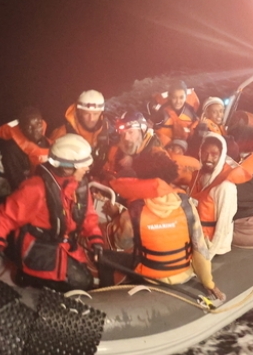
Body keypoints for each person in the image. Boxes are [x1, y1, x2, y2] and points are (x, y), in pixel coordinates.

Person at [0, 134, 105, 292]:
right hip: (40, 251)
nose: (87, 168)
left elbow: (88, 216)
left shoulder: (79, 186)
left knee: (85, 280)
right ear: (67, 167)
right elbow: (5, 215)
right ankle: (28, 278)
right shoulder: (36, 189)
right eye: (83, 164)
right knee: (80, 284)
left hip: (66, 247)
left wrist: (95, 240)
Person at [97, 176, 225, 302]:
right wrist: (208, 282)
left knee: (106, 257)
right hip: (183, 275)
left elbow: (122, 244)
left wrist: (116, 216)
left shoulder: (133, 212)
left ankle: (106, 299)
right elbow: (200, 248)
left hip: (151, 277)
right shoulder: (187, 205)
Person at [188, 133, 239, 258]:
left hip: (212, 247)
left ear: (221, 156)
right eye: (205, 153)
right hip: (196, 239)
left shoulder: (226, 187)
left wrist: (208, 256)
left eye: (214, 154)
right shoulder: (198, 177)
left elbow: (223, 225)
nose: (208, 158)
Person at [49, 90, 113, 176]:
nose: (91, 119)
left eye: (95, 114)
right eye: (86, 113)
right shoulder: (62, 133)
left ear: (101, 113)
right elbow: (52, 166)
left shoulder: (105, 128)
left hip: (96, 176)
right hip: (72, 180)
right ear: (79, 112)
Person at [0, 106, 50, 190]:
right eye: (29, 127)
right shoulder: (11, 150)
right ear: (22, 129)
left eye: (38, 124)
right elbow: (16, 182)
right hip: (7, 179)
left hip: (29, 174)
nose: (35, 130)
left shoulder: (44, 141)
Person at [102, 112, 164, 182]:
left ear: (142, 131)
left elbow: (160, 182)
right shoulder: (115, 150)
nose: (126, 138)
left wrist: (134, 164)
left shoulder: (156, 151)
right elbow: (106, 171)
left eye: (130, 132)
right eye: (123, 134)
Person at [151, 82, 200, 147]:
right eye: (174, 97)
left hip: (185, 145)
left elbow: (194, 131)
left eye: (181, 97)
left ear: (186, 97)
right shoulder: (161, 112)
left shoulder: (191, 112)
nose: (178, 101)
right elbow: (152, 129)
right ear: (170, 97)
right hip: (165, 146)